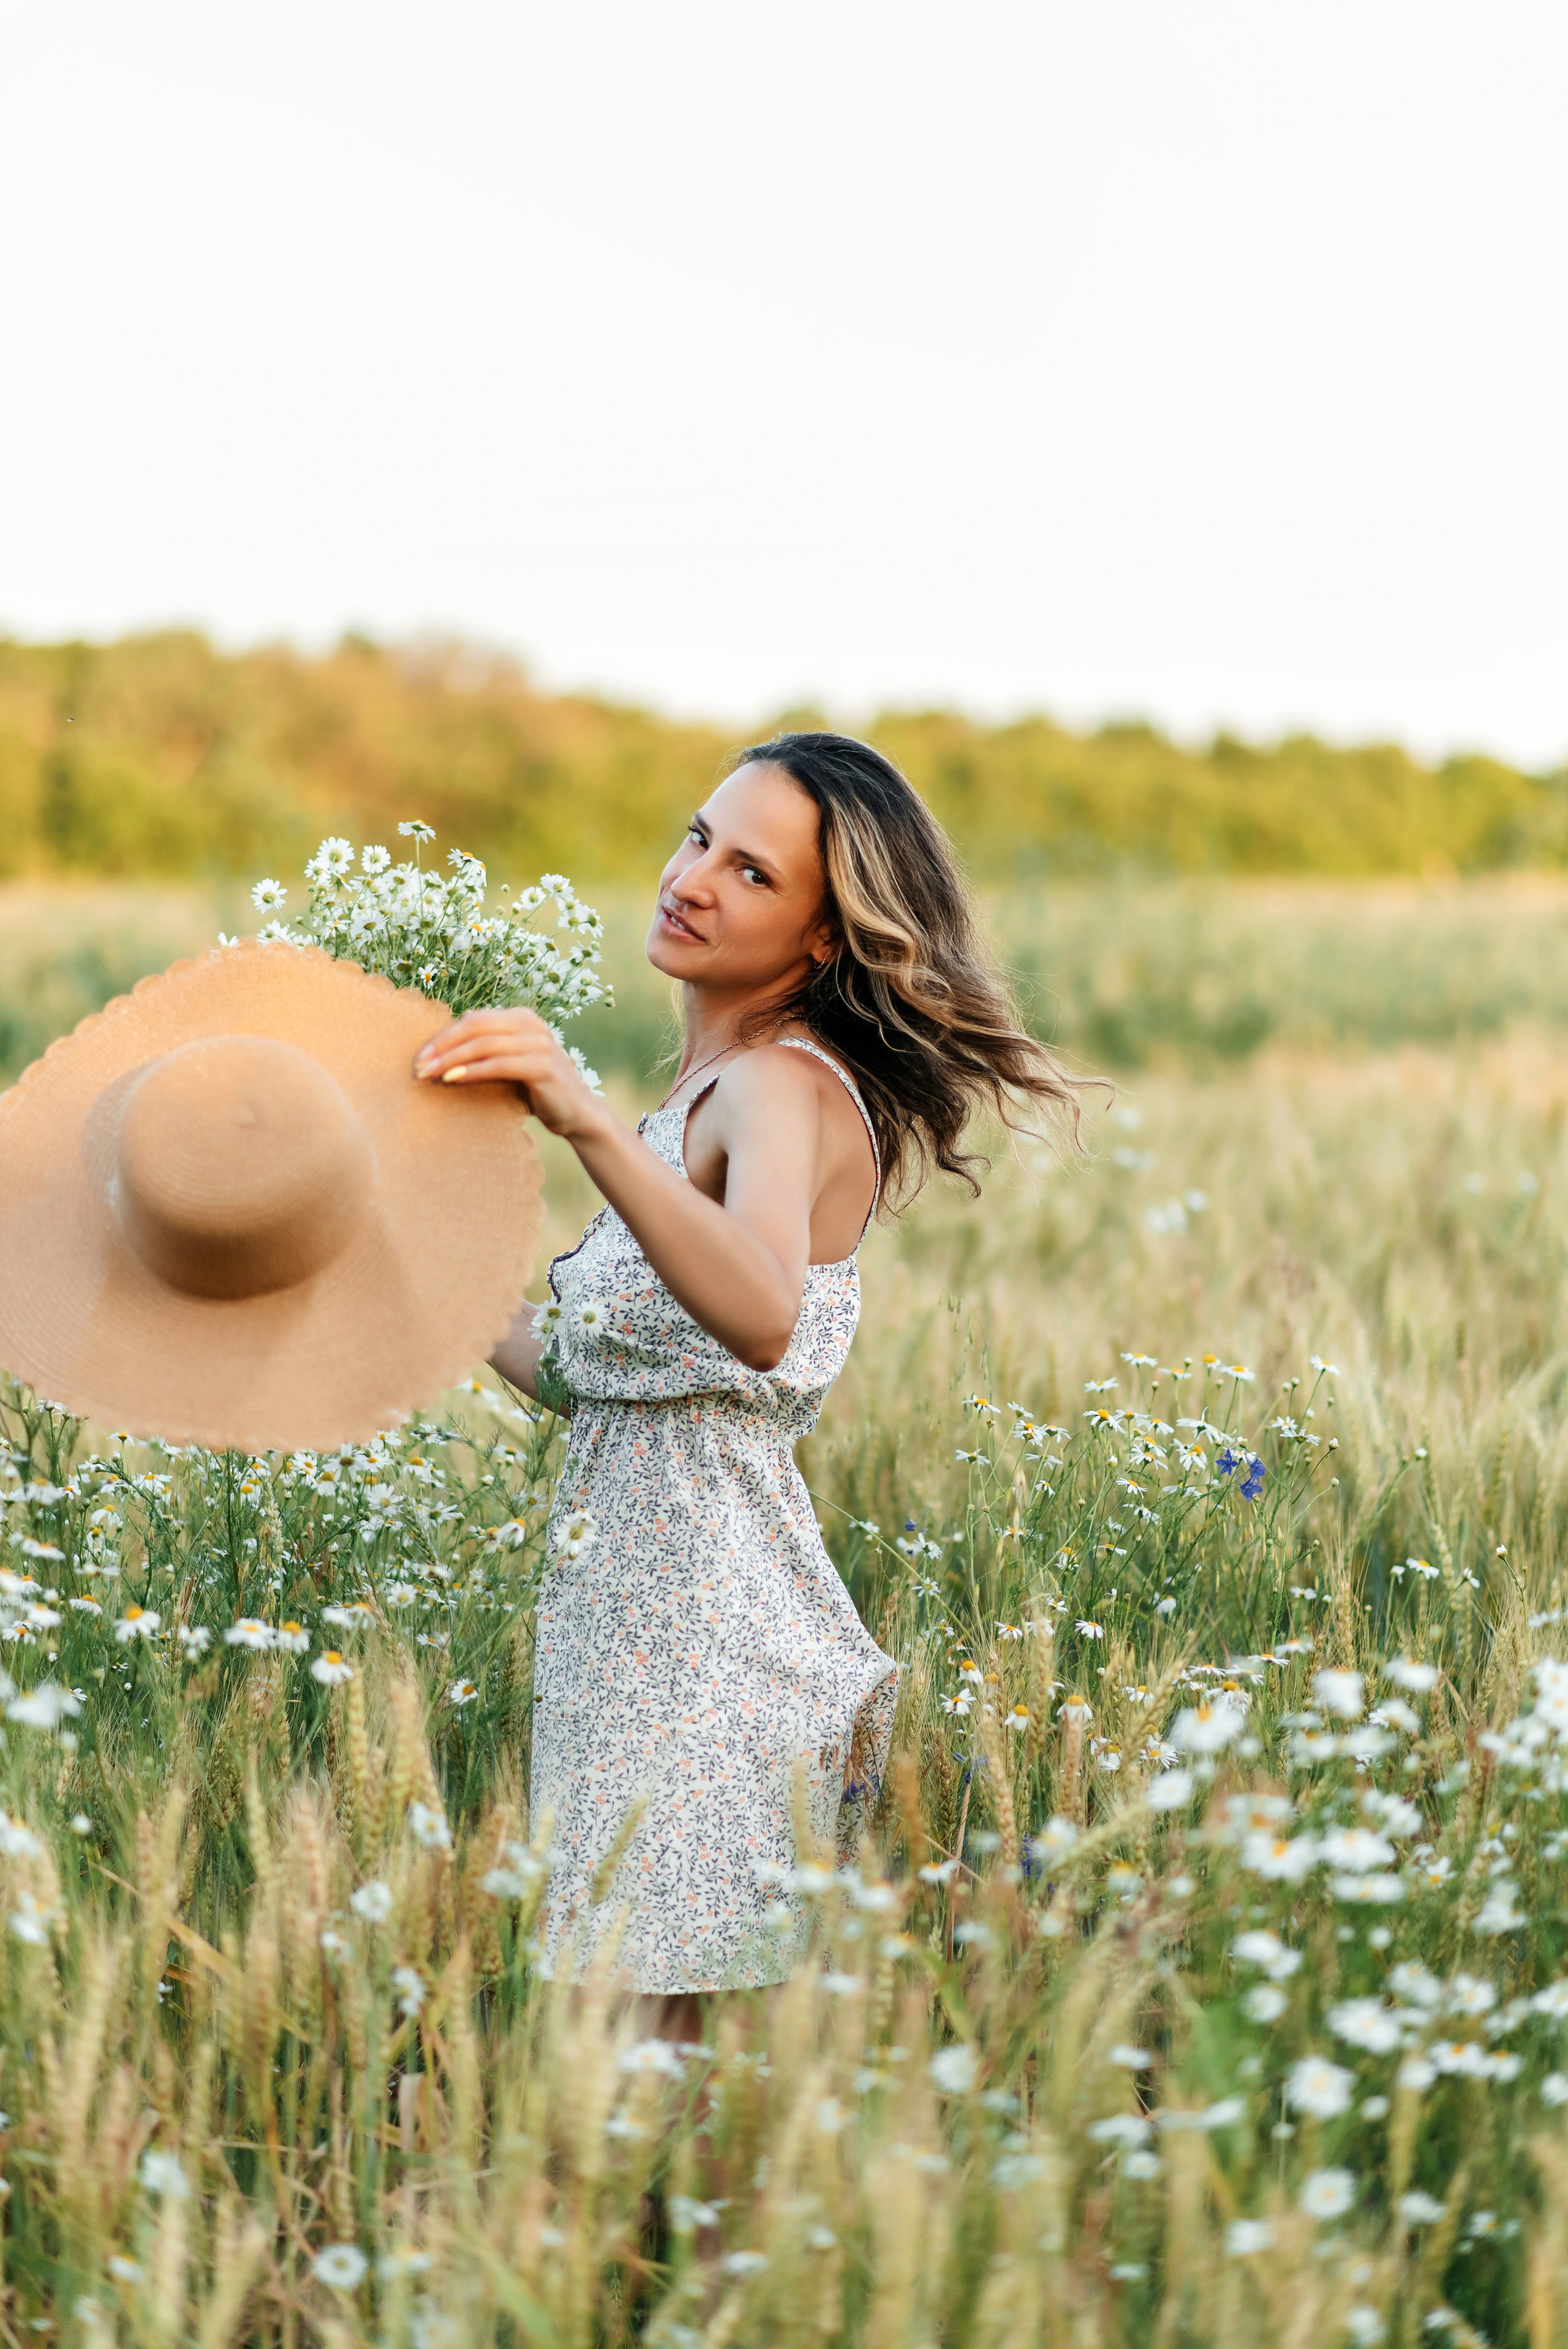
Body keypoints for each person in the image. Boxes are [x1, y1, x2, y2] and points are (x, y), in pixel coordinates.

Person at [414, 733, 1080, 2024]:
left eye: (753, 873)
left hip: (704, 1649)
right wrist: (424, 1288)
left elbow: (762, 1313)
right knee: (645, 2059)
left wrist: (579, 1115)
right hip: (625, 1640)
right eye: (698, 837)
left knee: (666, 2065)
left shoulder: (776, 1086)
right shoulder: (708, 1095)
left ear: (825, 937)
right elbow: (602, 1380)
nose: (695, 879)